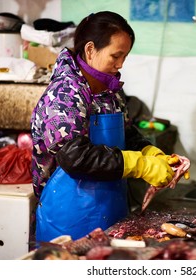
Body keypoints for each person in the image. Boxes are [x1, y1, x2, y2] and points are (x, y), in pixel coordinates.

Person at [30, 11, 188, 242]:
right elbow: (76, 157)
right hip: (67, 221)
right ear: (91, 50)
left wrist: (149, 151)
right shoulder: (64, 94)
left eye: (125, 56)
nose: (121, 64)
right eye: (116, 56)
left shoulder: (108, 92)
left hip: (110, 212)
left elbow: (126, 132)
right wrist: (140, 165)